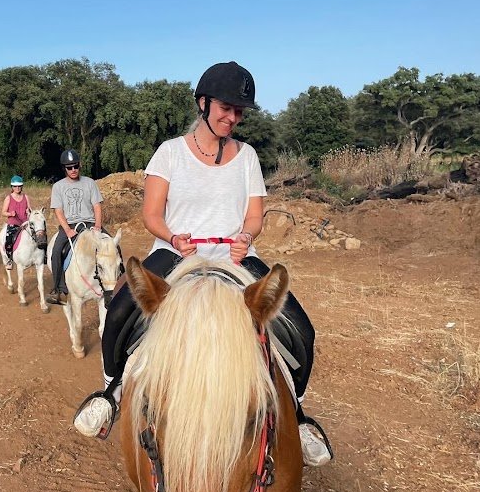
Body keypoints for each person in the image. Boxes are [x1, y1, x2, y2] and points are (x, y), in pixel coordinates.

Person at [72, 61, 332, 467]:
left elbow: (254, 216)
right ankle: (112, 391)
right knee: (121, 307)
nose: (233, 117)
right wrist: (173, 237)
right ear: (203, 103)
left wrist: (247, 237)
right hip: (178, 251)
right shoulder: (170, 153)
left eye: (240, 111)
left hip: (235, 255)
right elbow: (152, 214)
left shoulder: (247, 157)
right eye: (226, 108)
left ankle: (297, 415)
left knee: (301, 328)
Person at [46, 149, 104, 305]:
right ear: (64, 168)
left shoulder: (90, 183)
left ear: (79, 166)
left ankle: (119, 283)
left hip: (91, 223)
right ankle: (59, 290)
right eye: (69, 167)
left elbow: (97, 206)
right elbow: (58, 211)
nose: (73, 170)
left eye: (75, 166)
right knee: (57, 251)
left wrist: (97, 226)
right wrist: (67, 230)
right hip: (70, 225)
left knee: (112, 244)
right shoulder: (58, 187)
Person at [1, 175, 31, 269]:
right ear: (12, 187)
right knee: (9, 240)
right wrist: (10, 213)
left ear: (22, 186)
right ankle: (9, 259)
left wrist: (29, 212)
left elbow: (30, 209)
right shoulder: (9, 198)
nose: (17, 188)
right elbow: (3, 212)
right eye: (15, 186)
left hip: (25, 223)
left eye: (19, 186)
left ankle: (43, 256)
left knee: (39, 235)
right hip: (13, 223)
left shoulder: (26, 197)